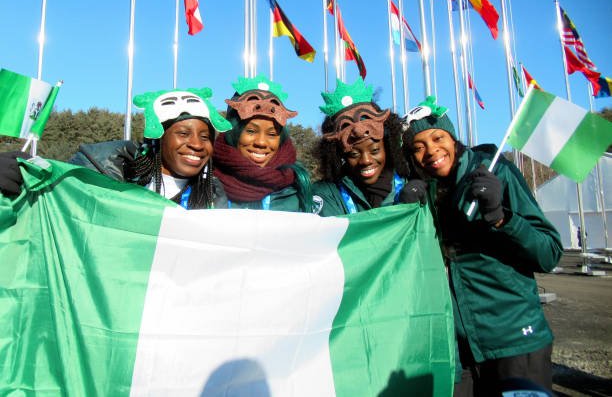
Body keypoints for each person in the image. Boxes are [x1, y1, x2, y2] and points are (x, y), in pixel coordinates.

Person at [401, 96, 563, 396]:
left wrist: (501, 218)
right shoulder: (426, 190)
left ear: (454, 138)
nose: (431, 151)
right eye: (418, 147)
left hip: (514, 341)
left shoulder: (495, 172)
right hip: (458, 350)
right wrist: (407, 214)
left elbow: (549, 253)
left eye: (438, 138)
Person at [1, 87, 232, 210]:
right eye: (183, 133)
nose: (197, 144)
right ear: (157, 139)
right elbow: (52, 199)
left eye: (206, 137)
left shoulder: (212, 194)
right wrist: (22, 174)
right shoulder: (105, 169)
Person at [312, 77, 415, 216]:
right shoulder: (327, 195)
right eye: (354, 154)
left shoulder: (410, 186)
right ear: (340, 155)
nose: (366, 160)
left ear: (388, 145)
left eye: (374, 150)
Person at [212, 75, 312, 212]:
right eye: (251, 131)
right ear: (233, 133)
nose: (261, 142)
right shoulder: (204, 185)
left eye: (271, 134)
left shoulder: (299, 188)